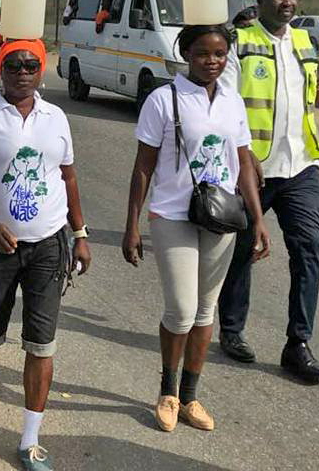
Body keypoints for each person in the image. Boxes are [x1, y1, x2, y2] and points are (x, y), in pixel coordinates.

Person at [123, 24, 269, 434]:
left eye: (220, 54)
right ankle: (167, 392)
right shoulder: (163, 99)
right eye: (203, 53)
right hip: (172, 215)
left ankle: (190, 397)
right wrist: (131, 224)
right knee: (182, 310)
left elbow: (243, 163)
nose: (212, 61)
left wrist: (257, 219)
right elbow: (142, 166)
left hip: (221, 216)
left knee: (207, 310)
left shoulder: (231, 101)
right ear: (186, 53)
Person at [0, 40, 90, 471]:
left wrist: (80, 233)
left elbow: (68, 178)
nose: (22, 71)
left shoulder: (57, 118)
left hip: (49, 246)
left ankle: (29, 440)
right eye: (13, 64)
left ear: (41, 70)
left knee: (42, 342)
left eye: (31, 63)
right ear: (1, 68)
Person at [217, 0, 319, 382]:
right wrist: (245, 159)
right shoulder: (240, 43)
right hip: (255, 168)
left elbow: (311, 94)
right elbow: (227, 108)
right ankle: (232, 329)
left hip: (301, 165)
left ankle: (298, 344)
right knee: (243, 247)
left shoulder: (305, 41)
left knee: (310, 248)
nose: (288, 2)